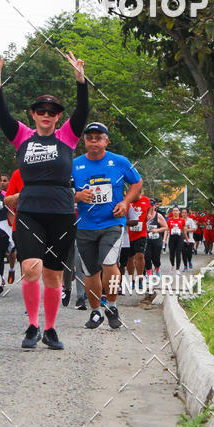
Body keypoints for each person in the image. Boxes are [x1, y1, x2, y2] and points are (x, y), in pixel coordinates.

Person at [0, 51, 88, 350]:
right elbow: (3, 117)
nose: (46, 115)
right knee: (31, 267)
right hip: (30, 211)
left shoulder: (68, 137)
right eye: (41, 111)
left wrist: (81, 81)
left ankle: (50, 328)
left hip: (61, 212)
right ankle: (32, 325)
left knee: (54, 276)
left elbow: (82, 112)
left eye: (52, 111)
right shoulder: (22, 136)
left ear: (58, 117)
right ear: (33, 114)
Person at [72, 122, 142, 330]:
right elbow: (62, 191)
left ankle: (111, 306)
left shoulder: (119, 162)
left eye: (98, 137)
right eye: (89, 137)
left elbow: (137, 183)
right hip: (85, 225)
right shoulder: (74, 165)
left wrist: (125, 202)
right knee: (90, 271)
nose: (94, 140)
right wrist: (77, 195)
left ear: (106, 141)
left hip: (112, 223)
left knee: (109, 264)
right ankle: (95, 312)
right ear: (84, 141)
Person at [127, 191, 152, 281]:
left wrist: (149, 215)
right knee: (130, 258)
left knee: (140, 256)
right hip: (129, 233)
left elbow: (150, 210)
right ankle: (131, 279)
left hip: (141, 233)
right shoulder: (128, 201)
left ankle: (140, 278)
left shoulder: (146, 200)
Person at [143, 199, 168, 280]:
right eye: (148, 206)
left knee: (155, 258)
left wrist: (156, 230)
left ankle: (157, 269)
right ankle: (149, 274)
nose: (150, 208)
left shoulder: (158, 216)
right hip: (146, 240)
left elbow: (166, 227)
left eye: (151, 206)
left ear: (154, 207)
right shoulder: (143, 215)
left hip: (156, 240)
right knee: (147, 257)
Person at [1, 172, 18, 285]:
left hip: (11, 224)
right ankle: (0, 276)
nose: (2, 183)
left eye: (5, 181)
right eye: (0, 180)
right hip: (0, 224)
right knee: (0, 251)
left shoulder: (11, 195)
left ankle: (11, 269)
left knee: (12, 252)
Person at [166, 206, 185, 272]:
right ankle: (172, 265)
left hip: (179, 238)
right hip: (172, 238)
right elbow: (167, 229)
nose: (175, 212)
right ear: (172, 212)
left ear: (179, 212)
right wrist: (164, 239)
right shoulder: (169, 220)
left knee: (178, 253)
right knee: (171, 253)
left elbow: (183, 230)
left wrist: (187, 239)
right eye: (174, 211)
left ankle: (177, 268)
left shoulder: (182, 220)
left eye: (176, 210)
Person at [181, 207, 197, 272]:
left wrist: (187, 230)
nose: (183, 214)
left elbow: (194, 229)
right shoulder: (180, 220)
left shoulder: (190, 220)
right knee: (183, 253)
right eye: (182, 213)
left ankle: (189, 261)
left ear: (187, 214)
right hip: (182, 240)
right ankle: (185, 266)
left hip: (190, 239)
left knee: (189, 253)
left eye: (185, 213)